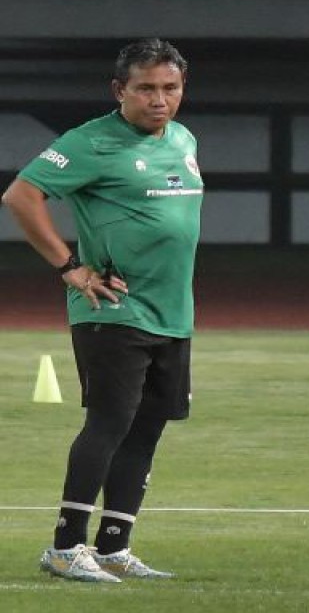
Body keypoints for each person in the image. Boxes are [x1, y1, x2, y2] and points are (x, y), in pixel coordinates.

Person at [2, 39, 199, 583]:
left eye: (170, 88)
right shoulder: (90, 142)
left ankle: (113, 547)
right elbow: (21, 195)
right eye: (146, 88)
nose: (159, 100)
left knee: (147, 428)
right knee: (109, 423)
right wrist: (70, 267)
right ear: (120, 90)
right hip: (112, 309)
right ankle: (66, 547)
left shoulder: (182, 138)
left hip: (172, 312)